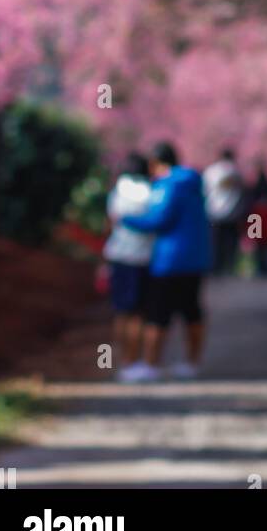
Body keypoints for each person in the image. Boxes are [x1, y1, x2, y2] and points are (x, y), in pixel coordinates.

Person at [120, 141, 212, 382]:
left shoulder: (168, 185)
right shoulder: (193, 182)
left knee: (158, 313)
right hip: (196, 257)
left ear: (156, 163)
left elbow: (158, 220)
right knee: (192, 311)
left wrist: (126, 219)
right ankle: (193, 362)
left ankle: (150, 364)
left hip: (170, 259)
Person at [102, 152, 155, 381]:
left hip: (118, 255)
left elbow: (110, 223)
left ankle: (117, 361)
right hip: (143, 258)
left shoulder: (117, 191)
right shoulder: (152, 193)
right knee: (138, 314)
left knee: (121, 311)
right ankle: (133, 362)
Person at [203, 148, 246, 276]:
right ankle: (229, 266)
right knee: (230, 243)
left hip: (213, 212)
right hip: (233, 214)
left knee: (215, 242)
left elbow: (205, 191)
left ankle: (215, 266)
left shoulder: (211, 171)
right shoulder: (236, 172)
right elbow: (242, 192)